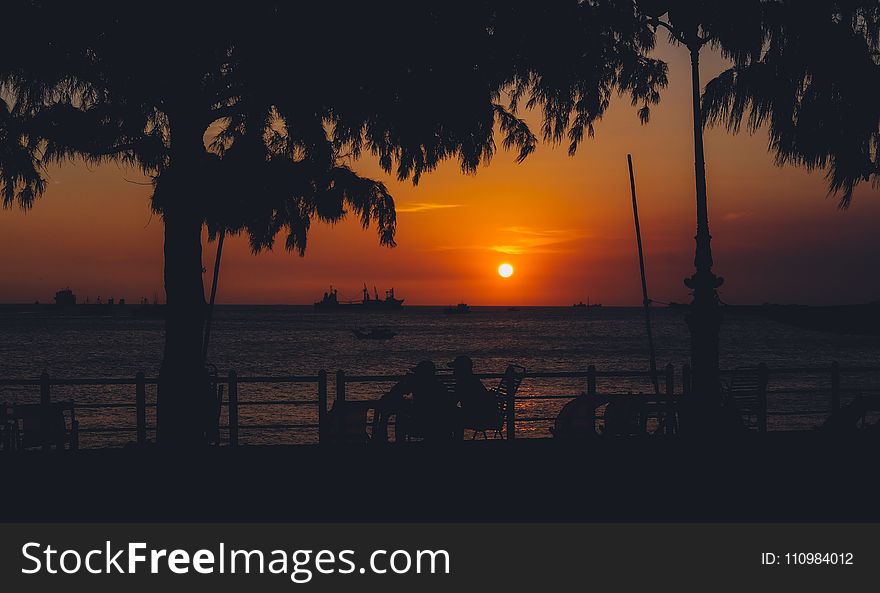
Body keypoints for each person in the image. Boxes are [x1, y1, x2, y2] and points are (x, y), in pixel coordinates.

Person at [382, 360, 456, 441]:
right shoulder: (440, 386)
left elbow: (395, 392)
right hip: (440, 427)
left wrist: (405, 381)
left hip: (421, 425)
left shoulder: (415, 383)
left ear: (421, 373)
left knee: (400, 418)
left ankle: (398, 444)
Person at [448, 355, 499, 436]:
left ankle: (454, 443)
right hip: (483, 416)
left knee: (451, 415)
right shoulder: (473, 380)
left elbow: (452, 402)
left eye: (455, 369)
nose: (453, 372)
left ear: (461, 370)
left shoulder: (463, 383)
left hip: (478, 418)